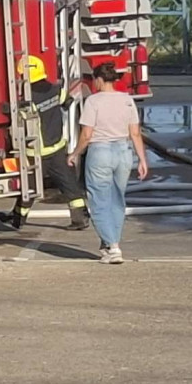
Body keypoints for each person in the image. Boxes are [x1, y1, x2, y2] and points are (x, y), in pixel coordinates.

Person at [67, 62, 149, 264]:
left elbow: (86, 135)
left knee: (99, 201)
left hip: (100, 152)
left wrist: (75, 153)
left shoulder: (93, 102)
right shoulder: (127, 100)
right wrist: (142, 160)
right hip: (123, 152)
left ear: (99, 80)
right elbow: (135, 133)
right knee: (116, 199)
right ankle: (110, 243)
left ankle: (113, 247)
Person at [2, 55, 90, 231]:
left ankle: (18, 219)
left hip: (37, 152)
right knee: (69, 184)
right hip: (57, 147)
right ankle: (80, 218)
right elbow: (68, 102)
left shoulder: (29, 99)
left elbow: (21, 117)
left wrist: (5, 108)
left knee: (30, 188)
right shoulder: (56, 89)